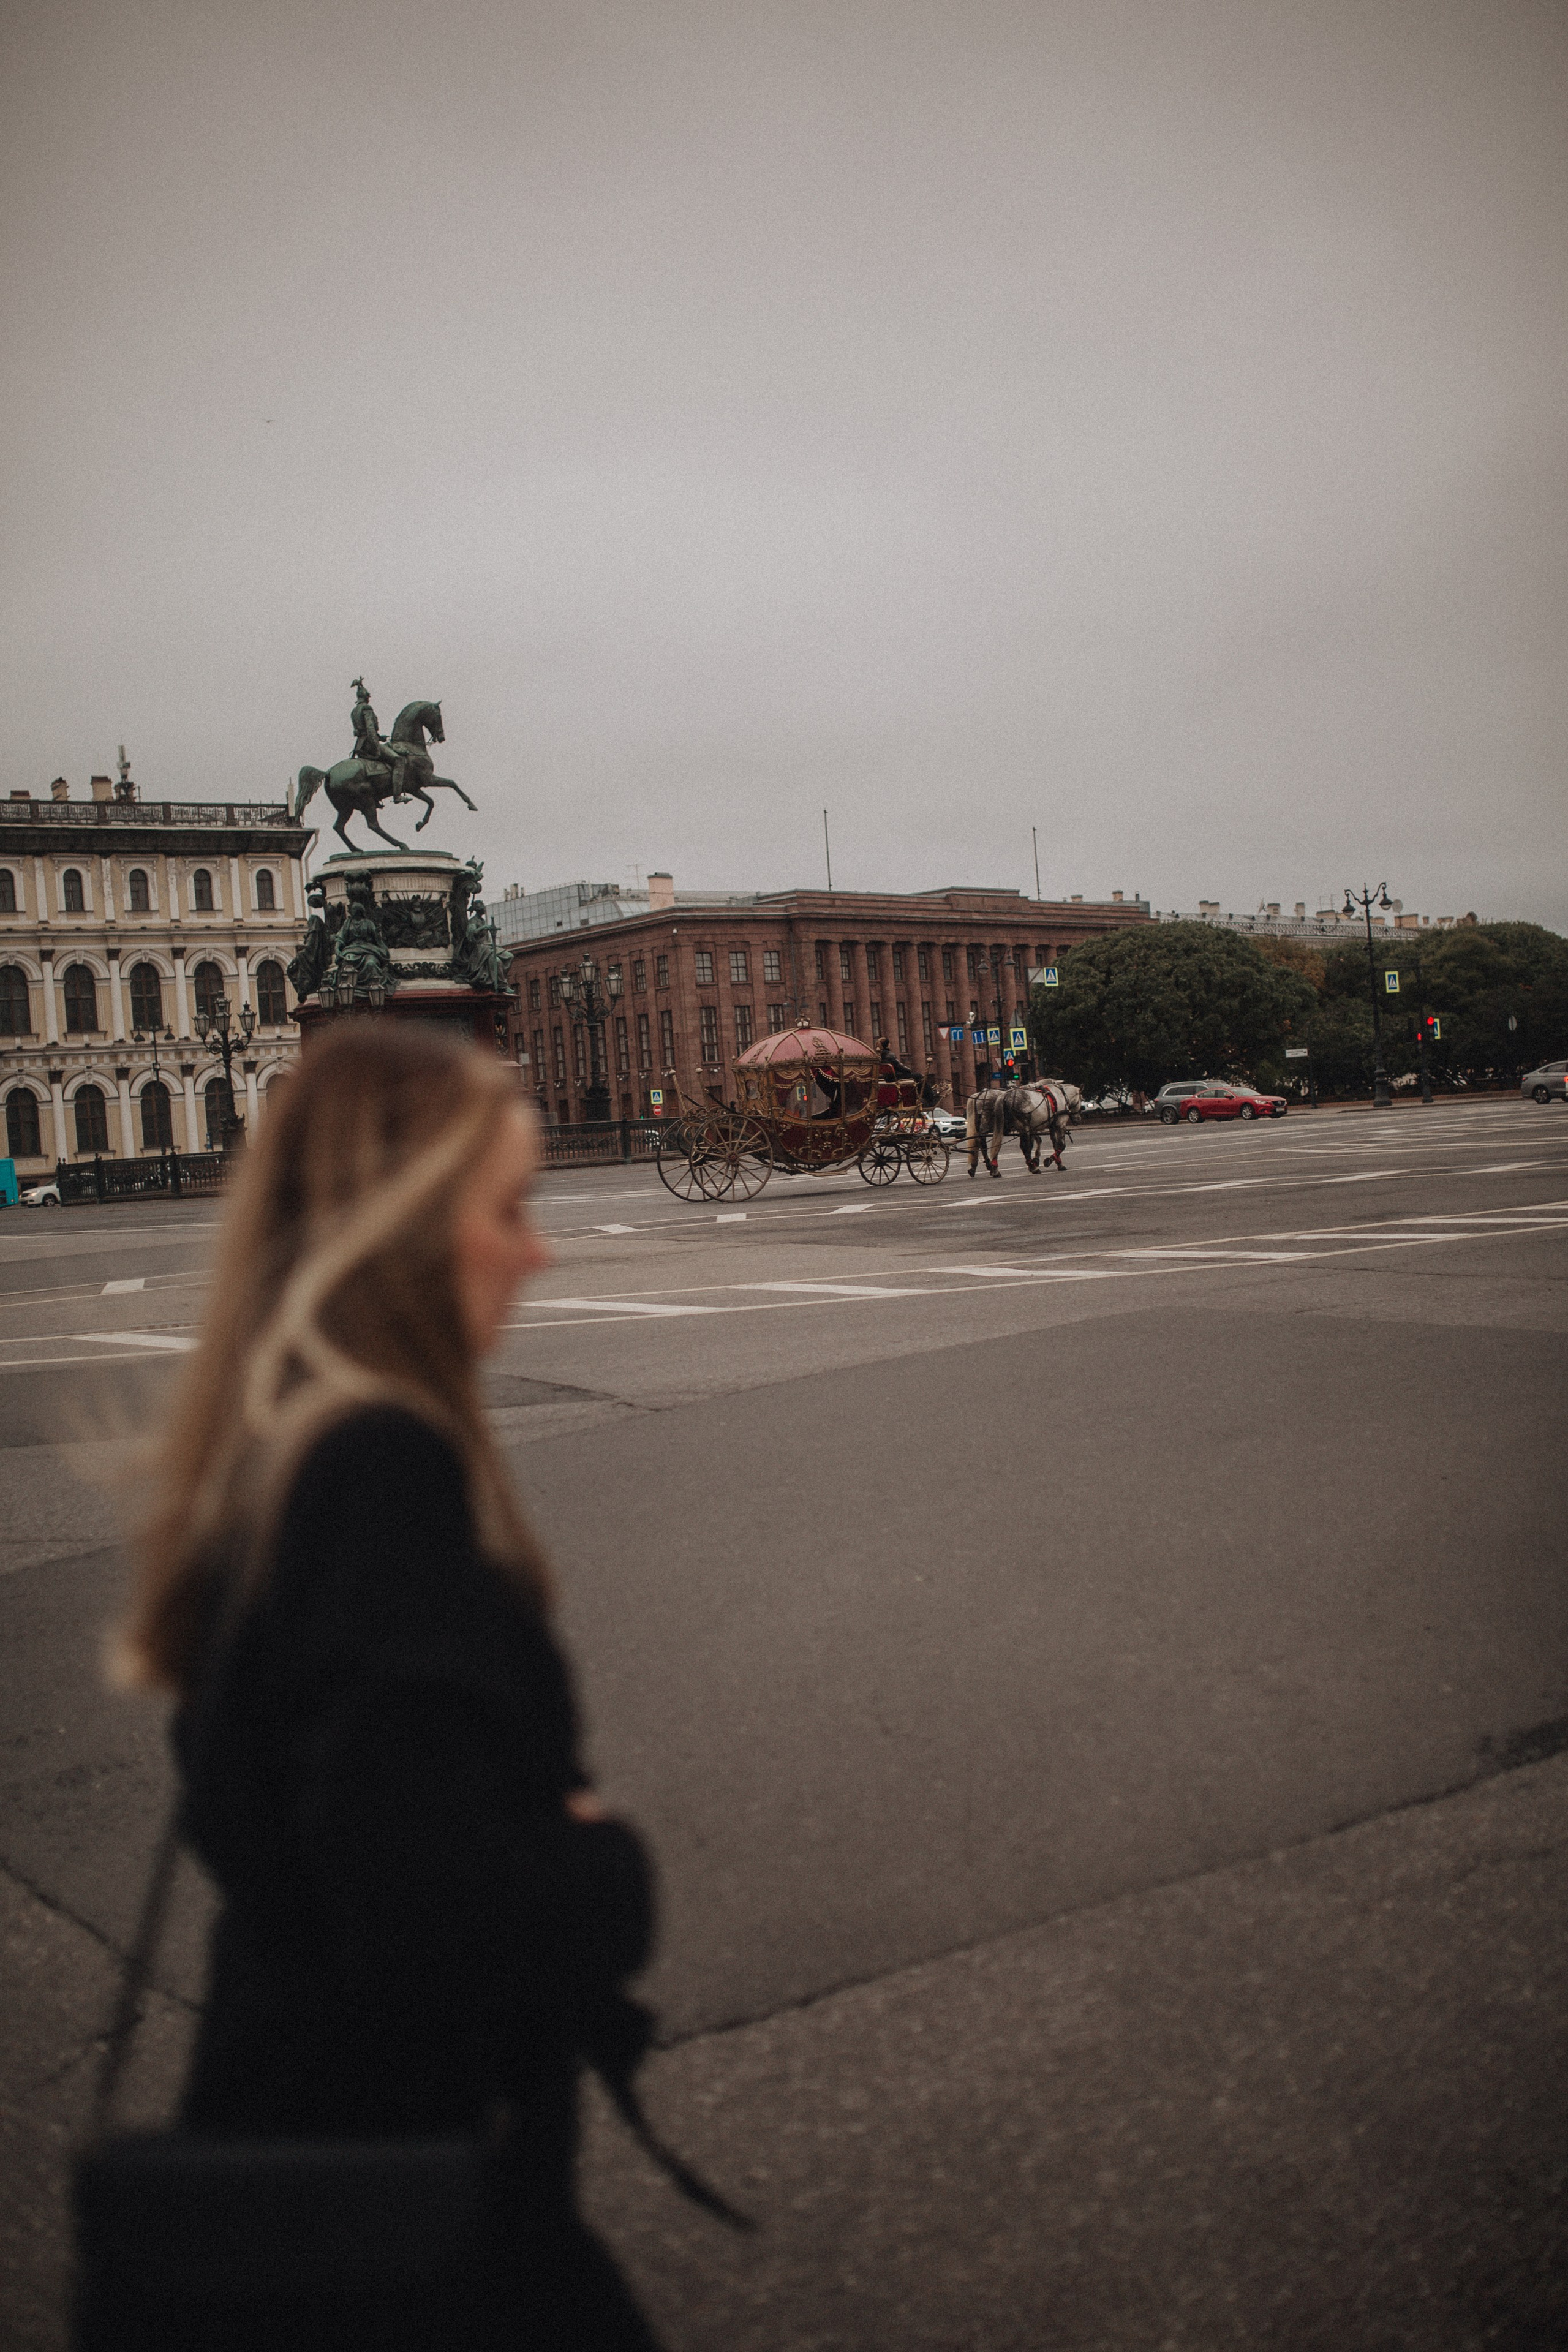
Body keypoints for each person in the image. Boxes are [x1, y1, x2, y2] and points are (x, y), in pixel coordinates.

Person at [118, 1022, 663, 2349]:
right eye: (509, 1209)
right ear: (407, 1228)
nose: (535, 1251)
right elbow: (430, 1914)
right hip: (404, 2181)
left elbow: (248, 1794)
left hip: (292, 2127)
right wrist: (605, 1872)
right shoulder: (379, 1473)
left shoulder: (279, 1444)